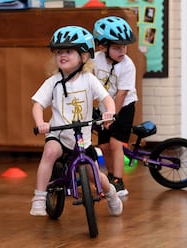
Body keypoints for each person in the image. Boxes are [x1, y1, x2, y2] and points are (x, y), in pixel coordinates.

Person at [30, 26, 123, 217]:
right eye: (59, 52)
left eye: (69, 51)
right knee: (50, 152)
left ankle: (112, 194)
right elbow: (37, 104)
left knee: (93, 174)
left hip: (82, 140)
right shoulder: (53, 81)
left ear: (84, 56)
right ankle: (39, 197)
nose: (62, 55)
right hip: (59, 134)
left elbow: (106, 99)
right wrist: (41, 122)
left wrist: (110, 112)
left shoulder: (89, 79)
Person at [92, 16, 138, 198]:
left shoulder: (127, 65)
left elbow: (122, 94)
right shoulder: (96, 60)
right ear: (103, 46)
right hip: (105, 108)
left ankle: (119, 182)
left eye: (124, 47)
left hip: (123, 107)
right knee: (103, 146)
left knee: (115, 144)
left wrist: (111, 116)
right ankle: (110, 177)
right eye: (117, 47)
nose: (122, 51)